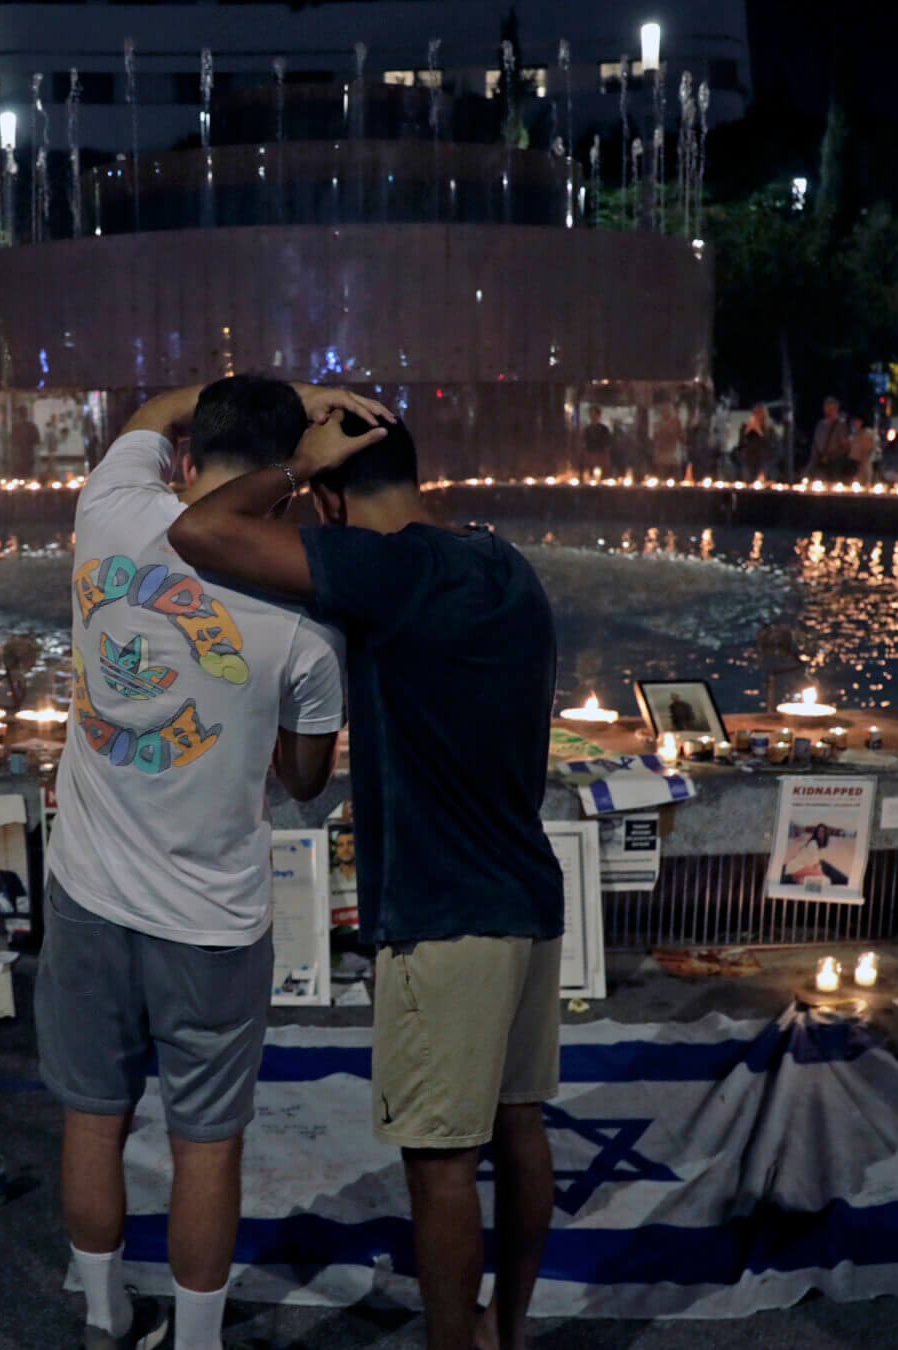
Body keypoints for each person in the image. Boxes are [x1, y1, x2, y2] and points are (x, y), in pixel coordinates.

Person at [167, 407, 562, 1350]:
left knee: (439, 1164)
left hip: (441, 913)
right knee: (519, 1130)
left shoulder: (395, 574)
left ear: (335, 499)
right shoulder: (507, 567)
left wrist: (295, 465)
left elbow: (201, 535)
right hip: (527, 898)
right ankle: (505, 1330)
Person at [37, 375, 356, 1350]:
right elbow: (305, 782)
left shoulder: (109, 508)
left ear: (187, 455)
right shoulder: (305, 615)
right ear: (289, 486)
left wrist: (294, 391)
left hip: (86, 890)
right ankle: (201, 1340)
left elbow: (139, 417)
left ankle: (101, 1315)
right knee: (205, 1143)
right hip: (211, 921)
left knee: (93, 1117)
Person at [809, 395, 852, 481]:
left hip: (834, 464)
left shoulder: (840, 425)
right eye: (826, 408)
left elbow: (845, 446)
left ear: (836, 409)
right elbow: (816, 443)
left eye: (830, 408)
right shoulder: (820, 425)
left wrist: (830, 457)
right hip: (819, 461)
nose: (828, 411)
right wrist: (816, 457)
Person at [733, 405, 773, 479]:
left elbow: (769, 445)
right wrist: (747, 431)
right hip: (748, 461)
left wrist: (759, 431)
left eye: (759, 413)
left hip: (761, 461)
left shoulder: (769, 429)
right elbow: (741, 444)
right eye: (755, 413)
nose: (757, 415)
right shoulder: (745, 428)